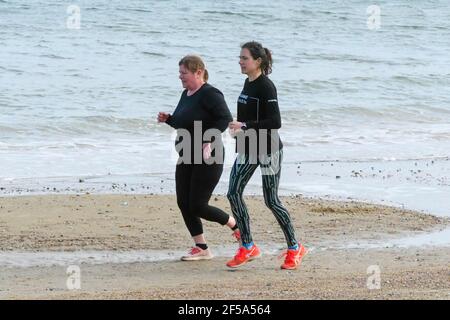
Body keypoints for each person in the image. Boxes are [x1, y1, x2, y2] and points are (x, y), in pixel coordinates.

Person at [226, 41, 307, 270]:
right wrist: (237, 129)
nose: (240, 62)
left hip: (269, 148)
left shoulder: (266, 87)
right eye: (240, 58)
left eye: (244, 58)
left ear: (257, 61)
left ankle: (294, 247)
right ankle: (248, 246)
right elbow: (247, 119)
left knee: (271, 200)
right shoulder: (247, 82)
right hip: (248, 148)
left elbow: (275, 122)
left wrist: (245, 125)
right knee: (233, 193)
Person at [157, 55, 240, 261]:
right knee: (183, 202)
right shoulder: (186, 94)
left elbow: (225, 119)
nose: (180, 77)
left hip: (209, 155)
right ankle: (201, 248)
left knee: (198, 205)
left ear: (198, 72)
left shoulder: (211, 94)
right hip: (186, 153)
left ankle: (237, 227)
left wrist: (209, 138)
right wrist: (169, 120)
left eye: (184, 73)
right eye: (180, 73)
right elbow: (182, 122)